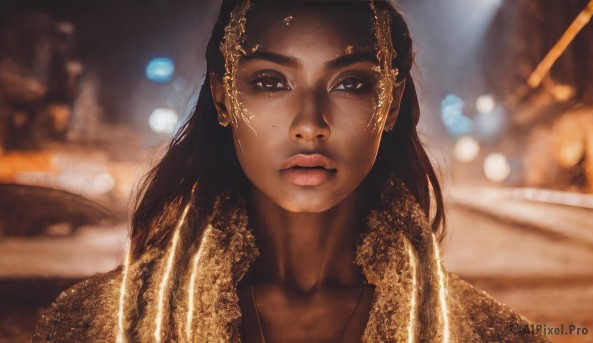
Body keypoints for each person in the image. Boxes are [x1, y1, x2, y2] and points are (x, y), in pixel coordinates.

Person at [34, 1, 548, 342]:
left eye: (350, 84)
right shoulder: (91, 325)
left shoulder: (487, 333)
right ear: (222, 95)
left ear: (390, 104)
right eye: (271, 81)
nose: (309, 125)